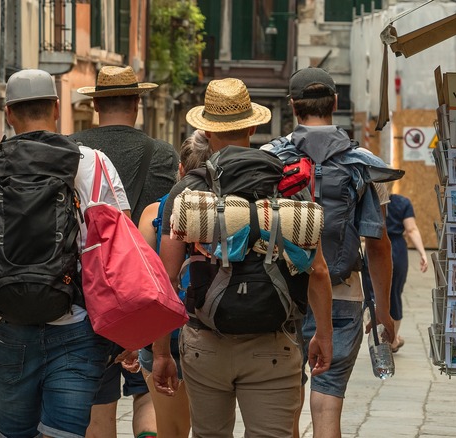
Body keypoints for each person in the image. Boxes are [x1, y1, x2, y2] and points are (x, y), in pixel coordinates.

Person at [0, 69, 129, 438]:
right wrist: (126, 330)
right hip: (78, 327)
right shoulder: (93, 163)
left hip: (8, 327)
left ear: (8, 113)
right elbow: (121, 249)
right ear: (57, 109)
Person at [151, 77, 334, 437]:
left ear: (205, 129)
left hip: (205, 344)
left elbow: (166, 279)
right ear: (253, 124)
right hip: (274, 344)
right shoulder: (287, 184)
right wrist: (324, 335)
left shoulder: (188, 190)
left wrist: (161, 353)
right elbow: (318, 271)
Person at [271, 67, 398, 438]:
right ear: (336, 103)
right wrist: (385, 312)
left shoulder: (271, 156)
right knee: (327, 404)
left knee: (286, 405)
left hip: (283, 294)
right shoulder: (359, 161)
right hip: (343, 295)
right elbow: (378, 243)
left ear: (292, 106)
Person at [70, 65, 178, 438]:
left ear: (96, 104)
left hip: (88, 293)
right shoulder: (162, 154)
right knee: (146, 397)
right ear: (137, 103)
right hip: (142, 289)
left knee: (98, 406)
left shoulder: (71, 149)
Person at [136, 130, 210, 438]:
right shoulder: (226, 211)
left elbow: (143, 284)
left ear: (180, 169)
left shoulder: (155, 213)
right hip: (210, 332)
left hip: (164, 336)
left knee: (172, 431)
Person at [362, 194, 428, 353]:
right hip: (396, 249)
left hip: (372, 247)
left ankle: (376, 336)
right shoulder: (402, 202)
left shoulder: (368, 199)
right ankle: (393, 339)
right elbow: (411, 229)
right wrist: (422, 253)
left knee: (371, 293)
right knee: (394, 293)